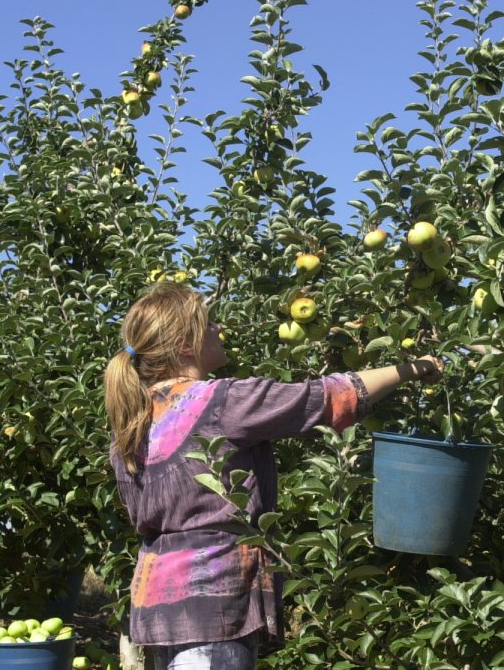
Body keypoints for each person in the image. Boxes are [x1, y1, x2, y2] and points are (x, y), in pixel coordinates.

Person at [102, 282, 445, 669]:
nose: (219, 330)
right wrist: (411, 368)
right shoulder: (220, 402)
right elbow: (326, 398)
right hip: (215, 599)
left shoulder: (130, 424)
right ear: (185, 343)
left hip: (156, 605)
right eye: (210, 323)